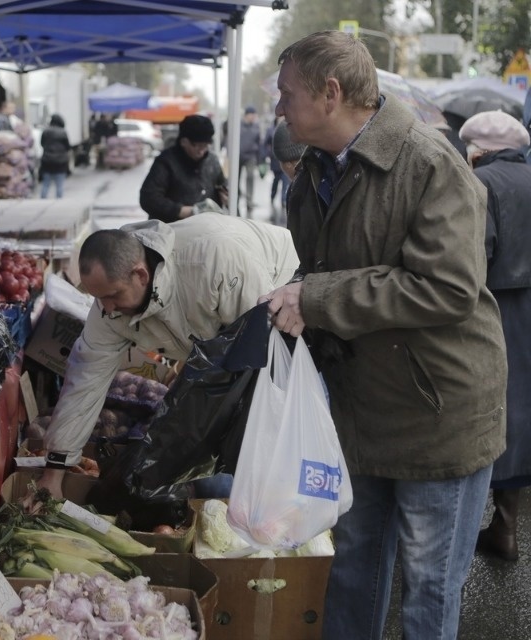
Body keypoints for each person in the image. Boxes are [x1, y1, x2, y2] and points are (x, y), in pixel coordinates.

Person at [260, 31, 507, 640]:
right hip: (361, 408)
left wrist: (314, 298)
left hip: (436, 412)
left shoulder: (429, 162)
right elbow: (329, 270)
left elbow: (448, 288)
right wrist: (295, 299)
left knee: (426, 589)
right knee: (354, 570)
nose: (278, 109)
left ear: (331, 94)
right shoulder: (314, 170)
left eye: (287, 94)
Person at [34, 214, 299, 498]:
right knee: (209, 472)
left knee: (249, 467)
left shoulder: (215, 261)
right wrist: (54, 473)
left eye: (112, 296)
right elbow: (84, 381)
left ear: (140, 275)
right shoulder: (108, 307)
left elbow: (259, 356)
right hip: (219, 348)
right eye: (98, 298)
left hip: (289, 317)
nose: (107, 308)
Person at [459, 110, 531, 562]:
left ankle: (479, 532)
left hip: (498, 310)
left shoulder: (481, 185)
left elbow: (472, 259)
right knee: (524, 411)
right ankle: (506, 525)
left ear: (479, 150)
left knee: (490, 411)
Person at [139, 114, 227, 222]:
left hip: (205, 227)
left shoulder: (212, 160)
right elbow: (148, 198)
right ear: (183, 141)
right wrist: (182, 211)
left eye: (205, 146)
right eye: (197, 146)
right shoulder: (166, 161)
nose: (201, 151)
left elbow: (222, 185)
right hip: (171, 228)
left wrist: (226, 194)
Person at [236, 106, 263, 215]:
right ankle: (235, 198)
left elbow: (259, 143)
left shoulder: (256, 128)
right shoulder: (238, 126)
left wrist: (260, 159)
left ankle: (249, 201)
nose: (253, 117)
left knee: (250, 177)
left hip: (251, 156)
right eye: (252, 114)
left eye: (255, 115)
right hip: (237, 156)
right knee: (235, 179)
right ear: (247, 115)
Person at [39, 114, 71, 199]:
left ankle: (42, 200)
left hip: (47, 160)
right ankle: (59, 200)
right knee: (59, 184)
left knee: (46, 183)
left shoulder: (45, 131)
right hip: (60, 161)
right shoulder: (63, 132)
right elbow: (67, 146)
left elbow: (42, 143)